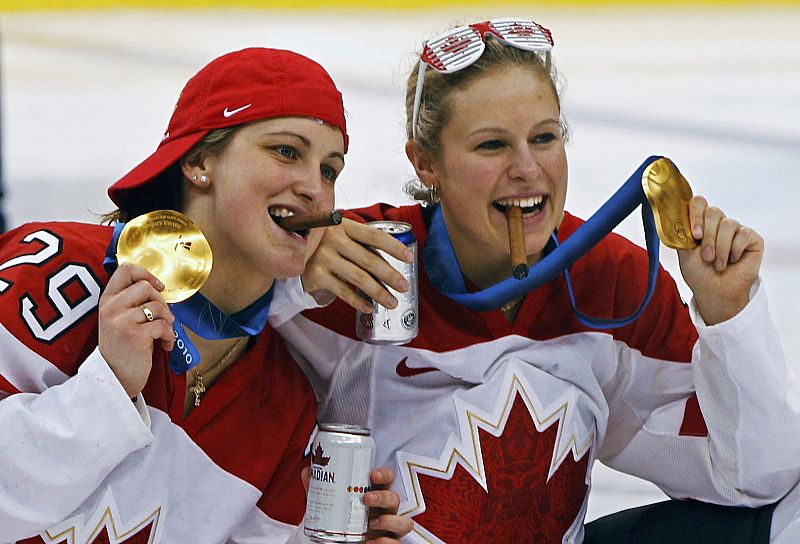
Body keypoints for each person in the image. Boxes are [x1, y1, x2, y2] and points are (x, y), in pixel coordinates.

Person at [271, 18, 800, 543]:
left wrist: (730, 316)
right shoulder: (352, 262)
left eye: (544, 137)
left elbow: (754, 479)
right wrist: (285, 280)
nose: (528, 168)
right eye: (492, 145)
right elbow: (195, 381)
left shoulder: (611, 281)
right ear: (426, 163)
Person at [0, 47, 412, 543]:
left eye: (329, 170)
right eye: (286, 151)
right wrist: (106, 387)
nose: (314, 189)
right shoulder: (53, 270)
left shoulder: (283, 405)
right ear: (199, 162)